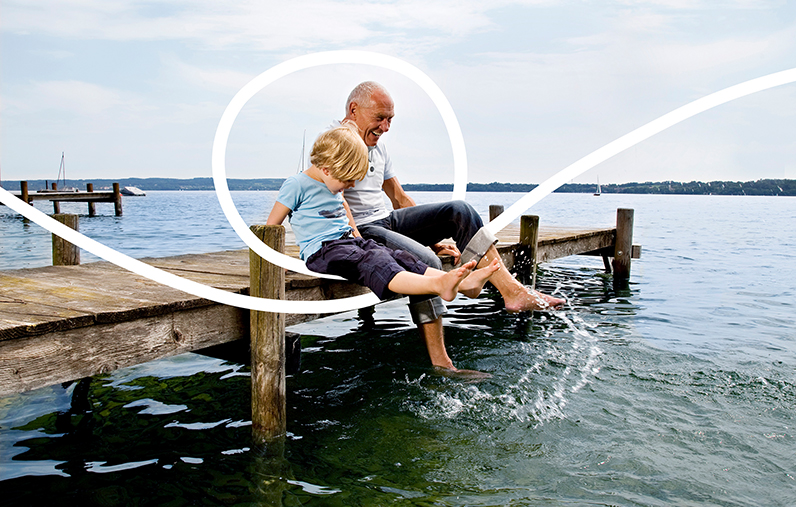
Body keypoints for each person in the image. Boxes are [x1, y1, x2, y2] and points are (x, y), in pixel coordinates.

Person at [337, 81, 565, 371]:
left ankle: (510, 290)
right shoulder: (336, 141)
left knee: (460, 211)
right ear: (354, 110)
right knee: (425, 261)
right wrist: (360, 243)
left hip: (387, 220)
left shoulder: (378, 147)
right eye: (379, 118)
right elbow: (336, 200)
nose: (386, 127)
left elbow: (399, 197)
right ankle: (442, 363)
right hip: (363, 230)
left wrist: (431, 238)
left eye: (390, 119)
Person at [266, 126, 501, 326]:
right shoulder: (296, 185)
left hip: (348, 242)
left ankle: (463, 284)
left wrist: (358, 237)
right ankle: (439, 284)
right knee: (375, 261)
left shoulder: (332, 182)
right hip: (323, 251)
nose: (350, 186)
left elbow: (344, 209)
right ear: (326, 169)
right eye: (347, 180)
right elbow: (271, 226)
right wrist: (278, 260)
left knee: (396, 255)